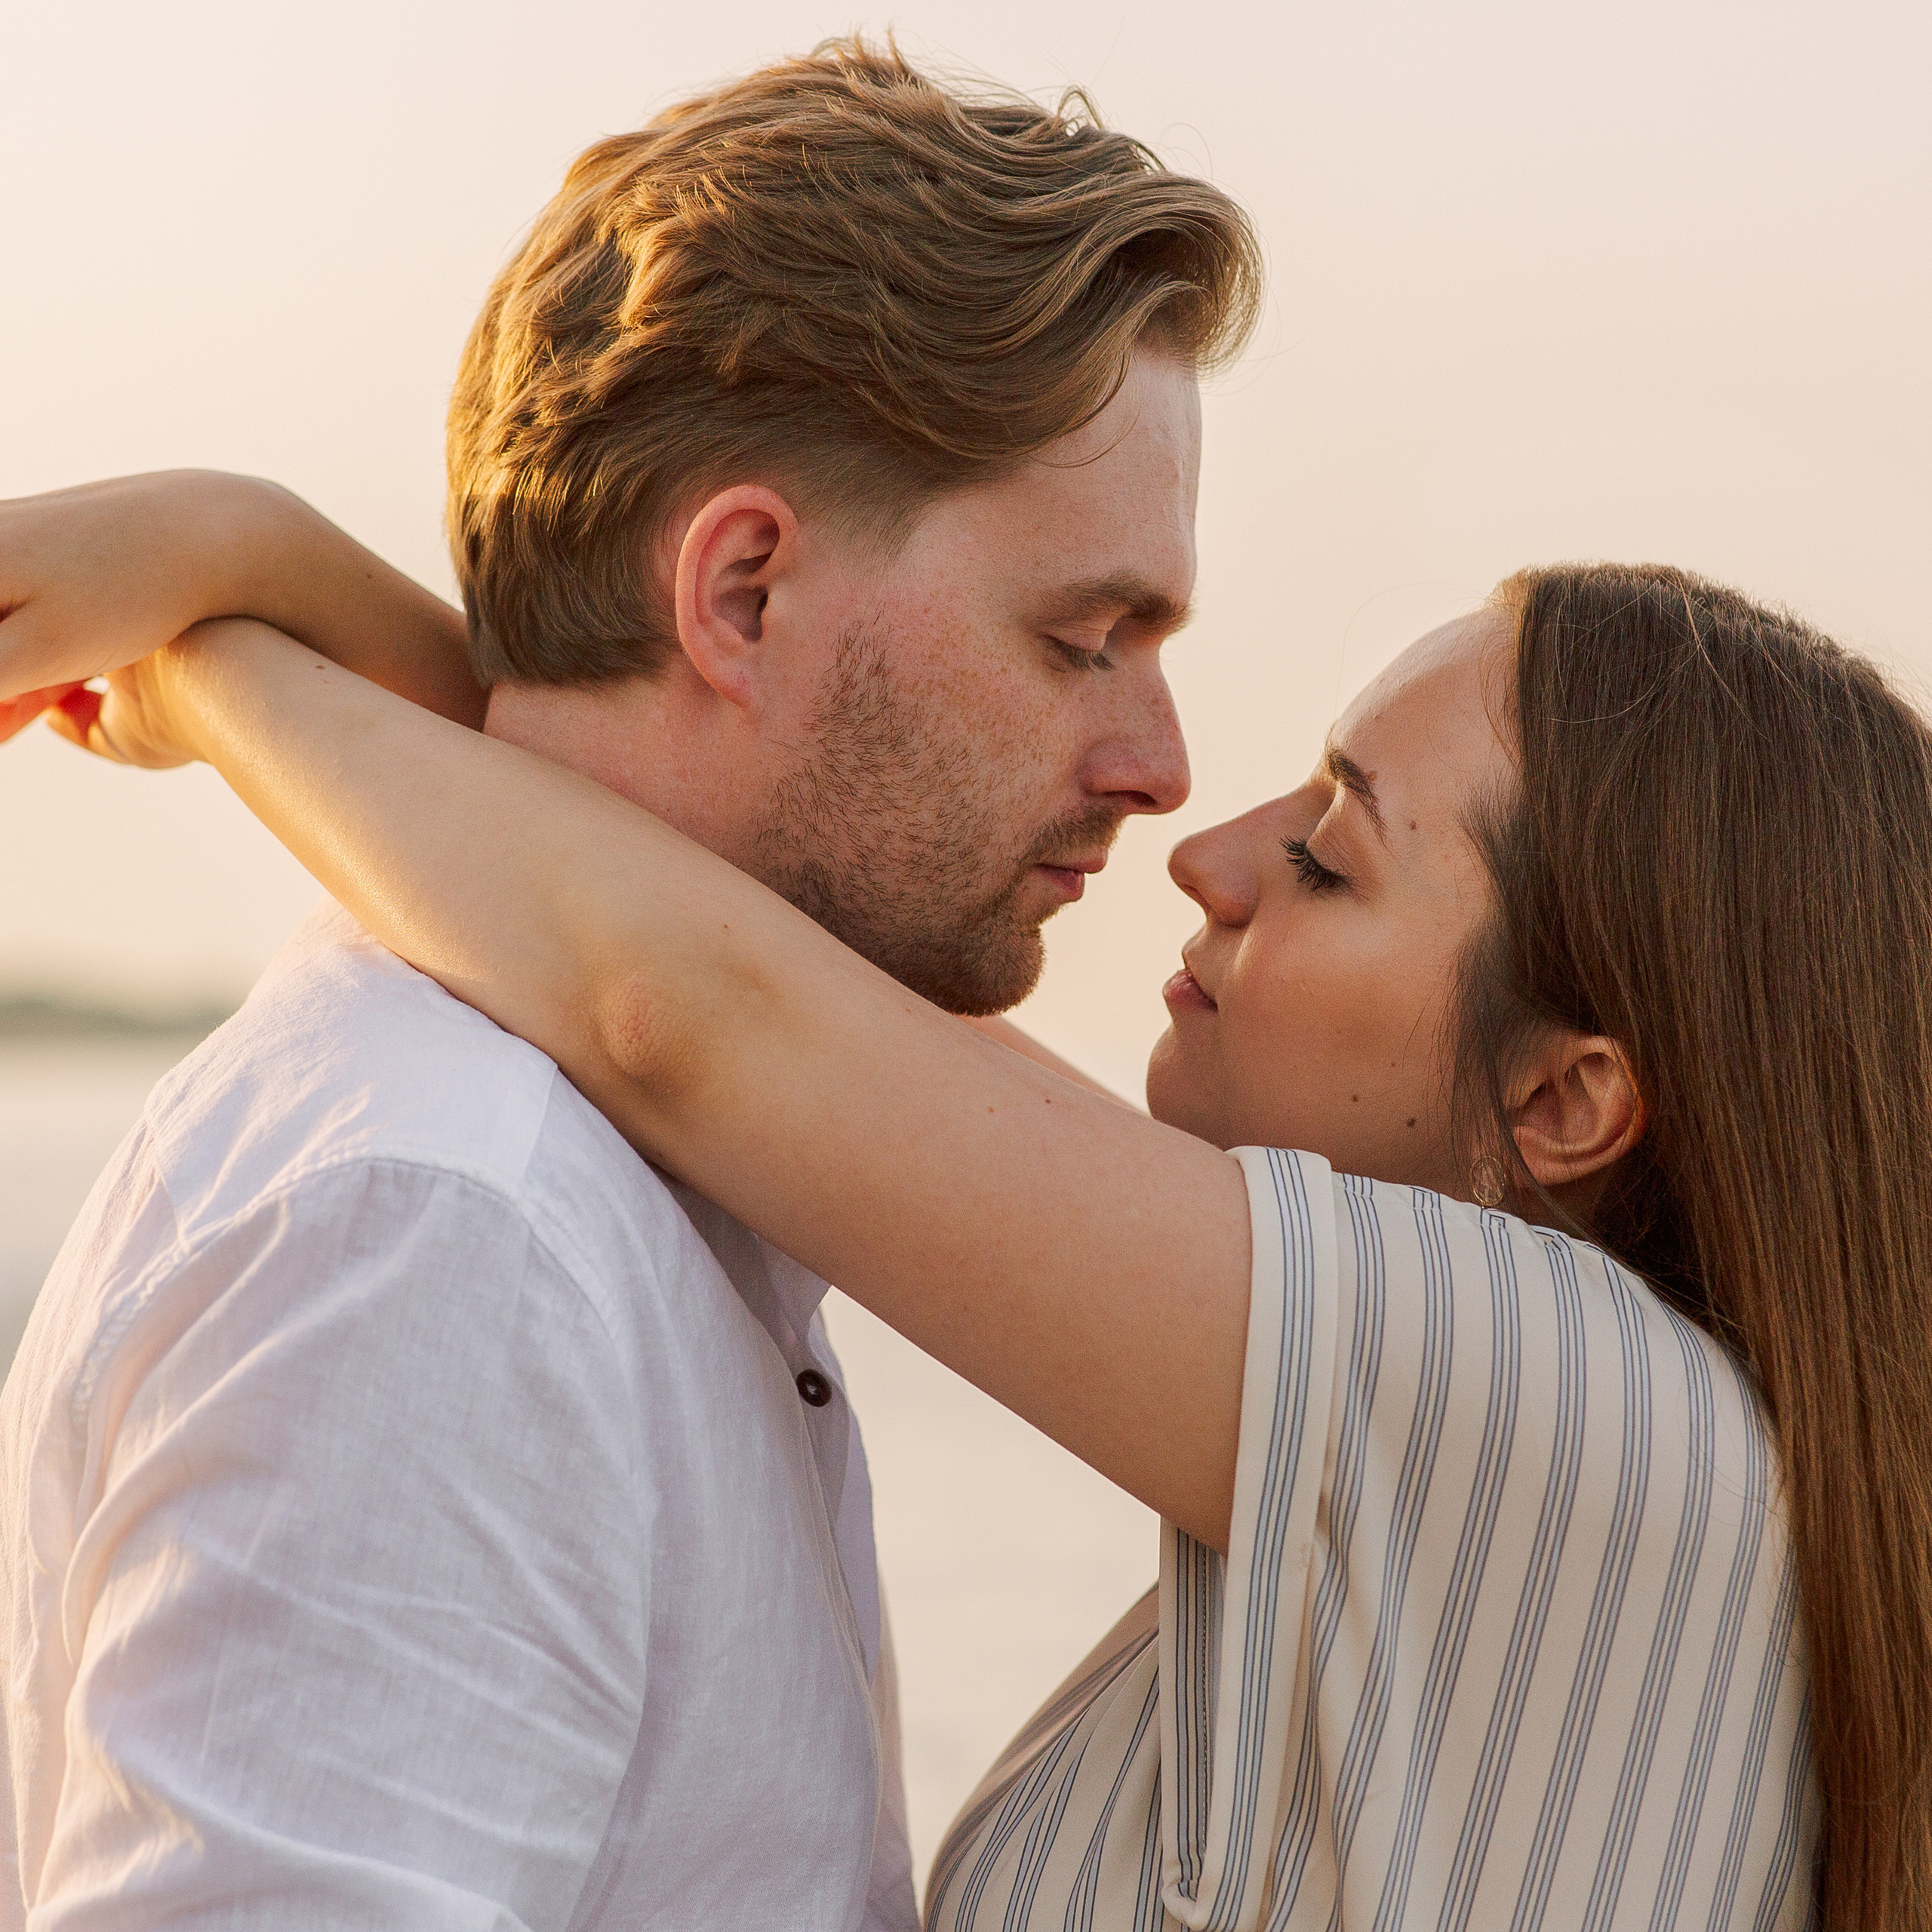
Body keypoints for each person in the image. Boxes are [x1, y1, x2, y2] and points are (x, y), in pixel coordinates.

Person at [16, 552, 1932, 1930]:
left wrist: (218, 654)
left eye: (1332, 856)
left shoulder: (1565, 1415)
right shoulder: (1591, 1484)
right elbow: (691, 923)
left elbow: (684, 1003)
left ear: (1569, 1102)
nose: (1206, 847)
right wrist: (255, 571)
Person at [0, 39, 1260, 1930]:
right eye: (1083, 636)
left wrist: (243, 586)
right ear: (740, 591)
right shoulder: (450, 1230)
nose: (1163, 765)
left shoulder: (628, 1195)